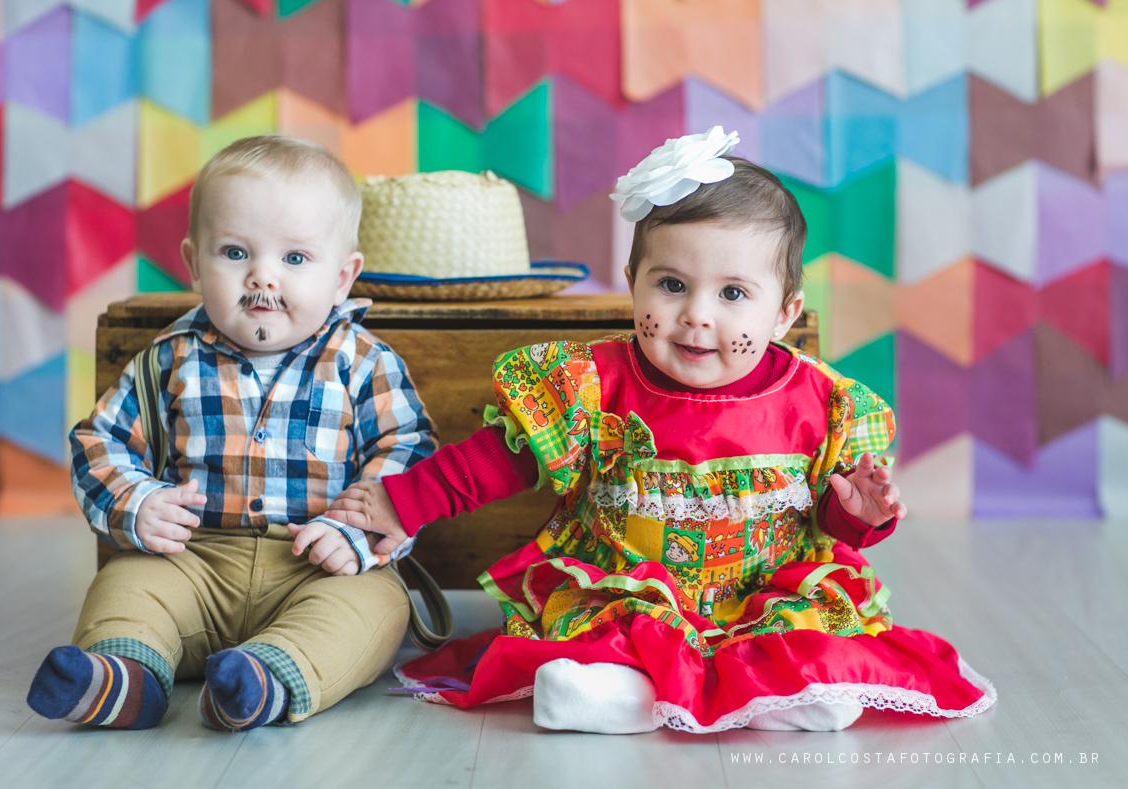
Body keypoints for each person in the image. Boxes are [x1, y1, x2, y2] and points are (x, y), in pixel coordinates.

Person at [324, 128, 996, 734]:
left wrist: (857, 512)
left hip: (761, 589)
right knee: (603, 632)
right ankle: (606, 693)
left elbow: (833, 527)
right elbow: (500, 460)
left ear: (785, 313)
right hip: (626, 581)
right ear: (633, 284)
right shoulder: (595, 384)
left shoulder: (820, 402)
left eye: (733, 294)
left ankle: (803, 689)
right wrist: (400, 501)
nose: (695, 316)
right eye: (671, 284)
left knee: (804, 628)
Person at [26, 135, 436, 731]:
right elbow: (100, 442)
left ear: (343, 277)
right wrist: (137, 502)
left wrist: (357, 532)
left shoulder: (362, 361)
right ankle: (124, 676)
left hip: (315, 564)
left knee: (376, 606)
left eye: (295, 259)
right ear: (195, 263)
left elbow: (408, 451)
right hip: (191, 558)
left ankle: (265, 678)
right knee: (126, 584)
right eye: (235, 252)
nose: (262, 278)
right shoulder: (168, 358)